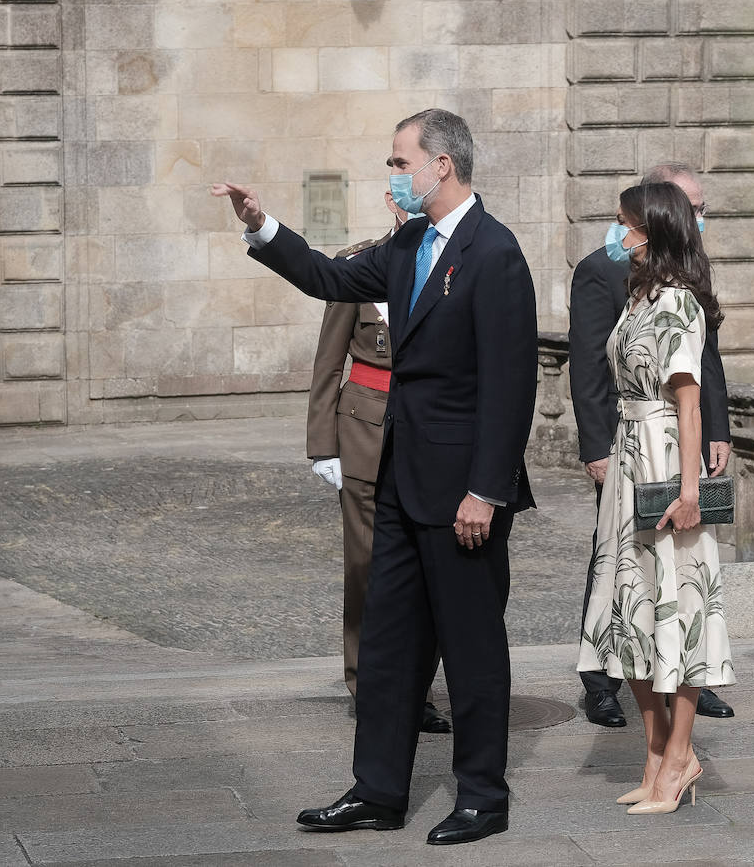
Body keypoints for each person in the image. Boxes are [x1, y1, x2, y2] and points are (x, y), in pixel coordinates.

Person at [211, 107, 538, 846]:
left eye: (400, 161)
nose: (392, 173)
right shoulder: (410, 241)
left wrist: (485, 491)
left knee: (473, 648)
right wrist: (263, 225)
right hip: (399, 480)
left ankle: (484, 796)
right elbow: (328, 276)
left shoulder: (496, 252)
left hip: (463, 494)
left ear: (440, 165)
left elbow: (511, 387)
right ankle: (379, 790)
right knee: (389, 645)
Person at [576, 181, 734, 815]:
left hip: (666, 455)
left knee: (678, 602)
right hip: (626, 457)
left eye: (628, 225)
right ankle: (656, 752)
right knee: (630, 608)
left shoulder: (680, 304)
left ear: (654, 229)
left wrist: (691, 489)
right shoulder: (637, 297)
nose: (622, 235)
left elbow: (689, 405)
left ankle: (678, 760)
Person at [306, 190, 450, 734]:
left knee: (428, 572)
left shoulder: (451, 268)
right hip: (365, 434)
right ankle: (367, 683)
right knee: (367, 569)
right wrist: (324, 443)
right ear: (393, 205)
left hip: (427, 437)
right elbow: (328, 361)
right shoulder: (358, 266)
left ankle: (416, 689)